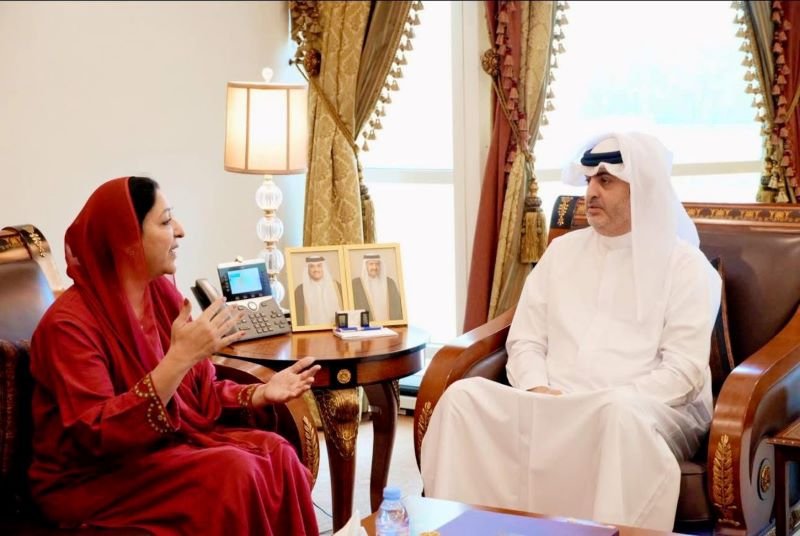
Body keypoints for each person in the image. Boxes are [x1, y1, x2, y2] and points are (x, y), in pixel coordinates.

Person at [420, 131, 721, 531]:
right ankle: (464, 529)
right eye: (589, 181)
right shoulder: (562, 252)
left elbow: (682, 372)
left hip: (645, 409)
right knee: (463, 398)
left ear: (641, 189)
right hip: (552, 400)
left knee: (616, 417)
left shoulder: (685, 266)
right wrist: (536, 387)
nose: (591, 192)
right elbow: (525, 339)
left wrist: (601, 401)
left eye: (606, 181)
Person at [28, 176, 321, 535]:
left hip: (160, 449)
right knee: (235, 472)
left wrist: (259, 393)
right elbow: (97, 433)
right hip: (93, 477)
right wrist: (178, 359)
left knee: (278, 454)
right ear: (127, 240)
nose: (180, 230)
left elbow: (196, 395)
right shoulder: (69, 326)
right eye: (166, 221)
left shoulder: (161, 297)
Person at [351, 253, 403, 322]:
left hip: (389, 326)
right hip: (367, 326)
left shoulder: (390, 282)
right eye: (371, 264)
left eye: (377, 264)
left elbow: (398, 307)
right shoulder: (356, 284)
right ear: (365, 265)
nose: (374, 267)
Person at [293, 255, 343, 326]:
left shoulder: (336, 286)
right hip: (311, 331)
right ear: (307, 269)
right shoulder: (299, 290)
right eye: (312, 266)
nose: (316, 269)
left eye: (319, 266)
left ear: (324, 268)